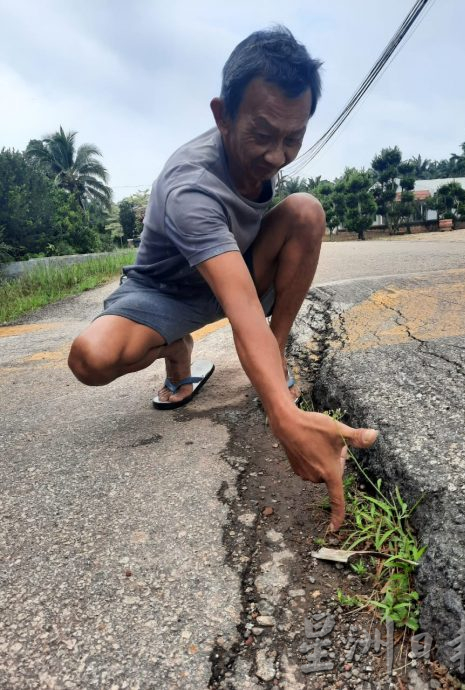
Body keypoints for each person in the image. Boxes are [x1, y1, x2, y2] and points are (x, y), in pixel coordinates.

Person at [68, 26, 378, 531]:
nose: (277, 155)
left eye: (293, 138)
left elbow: (244, 299)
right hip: (165, 292)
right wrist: (285, 416)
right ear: (222, 115)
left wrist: (270, 379)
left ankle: (275, 356)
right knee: (90, 359)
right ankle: (176, 349)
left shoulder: (267, 149)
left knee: (304, 212)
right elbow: (241, 312)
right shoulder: (189, 186)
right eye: (262, 134)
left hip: (237, 265)